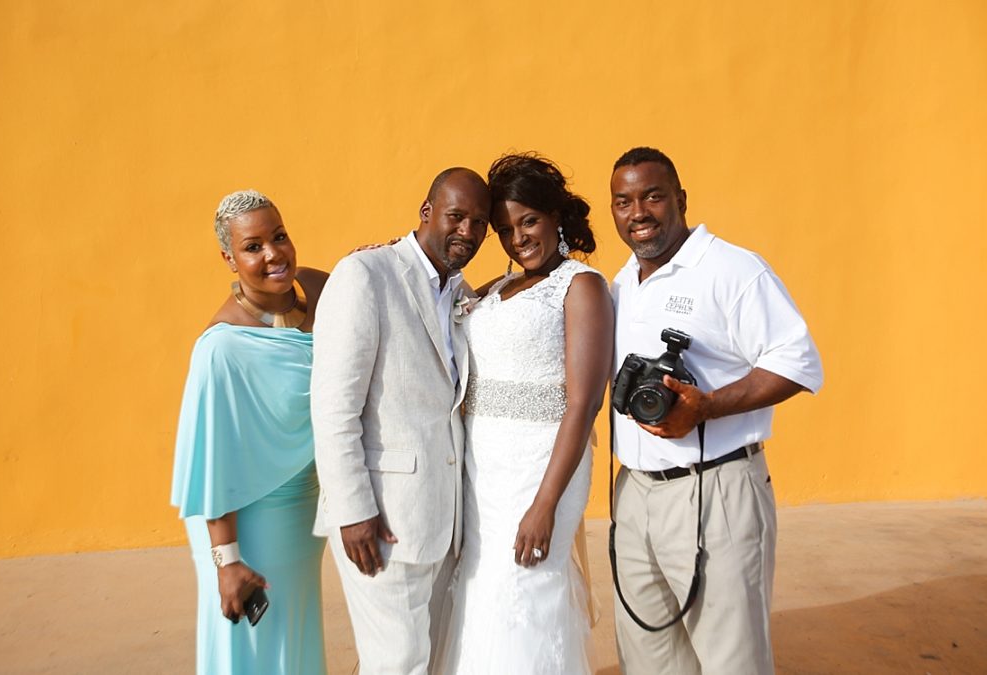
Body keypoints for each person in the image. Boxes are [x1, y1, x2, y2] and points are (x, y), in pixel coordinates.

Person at [607, 147, 824, 675]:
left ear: (680, 199)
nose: (638, 212)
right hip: (633, 493)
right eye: (623, 201)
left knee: (732, 657)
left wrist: (705, 408)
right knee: (649, 658)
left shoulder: (731, 269)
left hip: (717, 489)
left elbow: (798, 363)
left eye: (653, 196)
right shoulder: (620, 284)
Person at [436, 153, 614, 675]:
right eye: (505, 229)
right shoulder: (492, 289)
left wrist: (546, 505)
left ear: (556, 217)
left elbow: (584, 404)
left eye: (529, 221)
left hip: (541, 471)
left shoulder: (581, 286)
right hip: (482, 472)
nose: (519, 239)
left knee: (525, 590)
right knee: (481, 588)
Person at [310, 168, 491, 675]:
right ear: (427, 211)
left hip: (441, 517)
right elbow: (333, 407)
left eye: (480, 223)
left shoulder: (461, 291)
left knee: (430, 661)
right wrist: (352, 510)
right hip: (382, 519)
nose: (468, 232)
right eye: (457, 216)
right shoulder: (366, 275)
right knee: (396, 663)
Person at [170, 190, 328, 675]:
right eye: (253, 246)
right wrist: (228, 562)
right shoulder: (222, 350)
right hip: (244, 527)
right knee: (253, 654)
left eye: (278, 236)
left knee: (295, 643)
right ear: (229, 258)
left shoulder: (317, 291)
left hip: (302, 514)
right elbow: (214, 462)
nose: (273, 254)